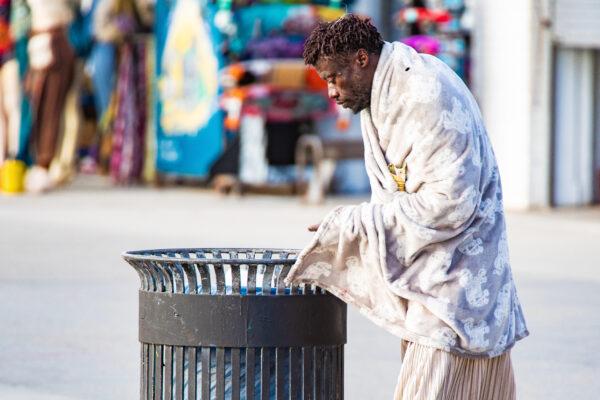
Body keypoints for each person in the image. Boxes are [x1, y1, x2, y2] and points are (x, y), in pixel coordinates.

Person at [285, 14, 528, 400]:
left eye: (334, 77)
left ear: (362, 59)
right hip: (432, 281)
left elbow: (452, 203)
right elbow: (394, 190)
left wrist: (357, 220)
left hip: (458, 283)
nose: (331, 91)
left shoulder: (425, 92)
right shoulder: (381, 94)